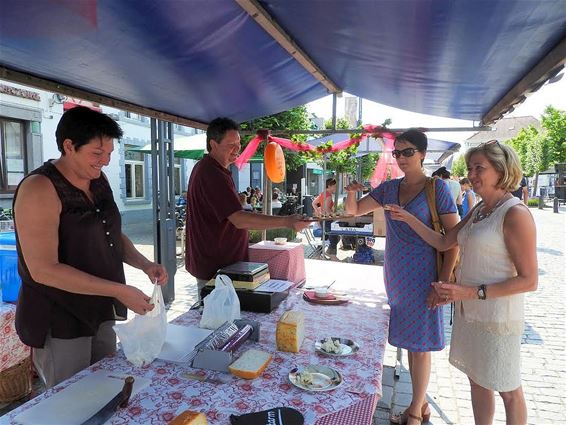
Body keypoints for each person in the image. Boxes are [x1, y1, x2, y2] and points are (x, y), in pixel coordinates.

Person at [13, 106, 168, 389]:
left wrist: (144, 264)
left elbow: (111, 234)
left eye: (109, 153)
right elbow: (44, 270)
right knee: (70, 401)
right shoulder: (39, 188)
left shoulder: (99, 181)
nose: (105, 162)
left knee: (104, 387)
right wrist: (120, 291)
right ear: (69, 146)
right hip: (60, 317)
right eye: (97, 154)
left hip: (99, 308)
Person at [387, 140, 537, 425]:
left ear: (501, 169)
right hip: (470, 314)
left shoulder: (515, 213)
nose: (472, 174)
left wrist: (467, 291)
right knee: (478, 382)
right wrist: (408, 219)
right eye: (470, 168)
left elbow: (529, 280)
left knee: (508, 390)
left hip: (498, 318)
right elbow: (444, 241)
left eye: (479, 168)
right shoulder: (480, 209)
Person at [344, 129, 459, 424]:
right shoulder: (389, 188)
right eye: (397, 153)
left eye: (408, 152)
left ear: (422, 154)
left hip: (425, 276)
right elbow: (353, 212)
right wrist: (351, 190)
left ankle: (414, 413)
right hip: (396, 275)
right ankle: (420, 405)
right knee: (409, 342)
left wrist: (443, 284)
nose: (402, 158)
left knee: (419, 347)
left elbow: (454, 240)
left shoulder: (437, 189)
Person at [185, 117, 310, 297]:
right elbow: (239, 219)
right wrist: (286, 221)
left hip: (221, 266)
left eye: (239, 143)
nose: (237, 149)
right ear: (213, 144)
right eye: (231, 144)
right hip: (217, 269)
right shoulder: (211, 172)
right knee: (219, 321)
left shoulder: (212, 169)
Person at [312, 178, 340, 257]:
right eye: (334, 186)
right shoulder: (328, 195)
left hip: (323, 219)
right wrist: (334, 214)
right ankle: (332, 255)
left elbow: (314, 203)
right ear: (329, 186)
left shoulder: (322, 193)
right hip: (327, 220)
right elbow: (326, 209)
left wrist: (318, 211)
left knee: (325, 237)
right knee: (334, 236)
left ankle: (317, 255)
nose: (335, 188)